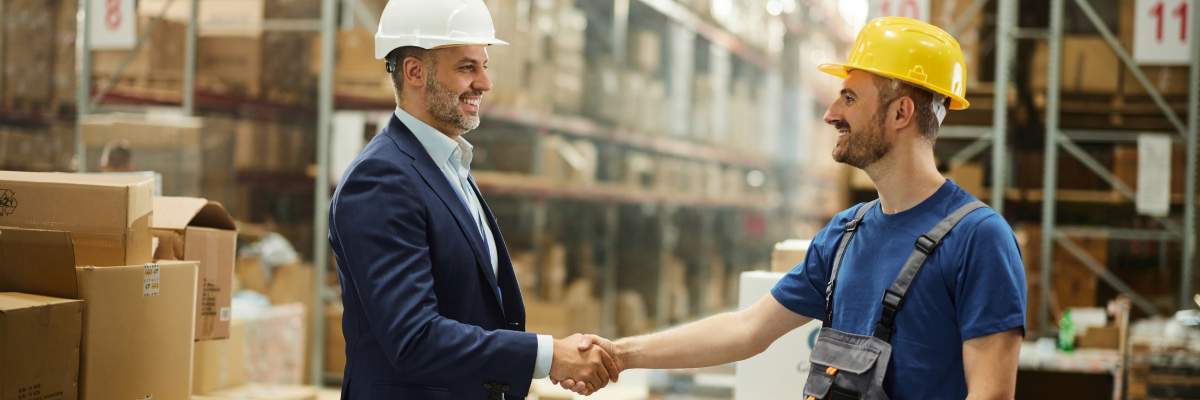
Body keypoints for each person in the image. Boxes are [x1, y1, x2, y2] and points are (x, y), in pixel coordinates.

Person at [561, 17, 1026, 399]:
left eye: (849, 97)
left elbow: (990, 395)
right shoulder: (846, 234)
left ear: (901, 113)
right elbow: (746, 329)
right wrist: (620, 354)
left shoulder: (978, 239)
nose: (830, 113)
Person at [327, 0, 618, 398]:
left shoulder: (448, 165)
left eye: (485, 65)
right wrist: (547, 355)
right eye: (467, 67)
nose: (485, 82)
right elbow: (415, 337)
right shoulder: (382, 179)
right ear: (414, 71)